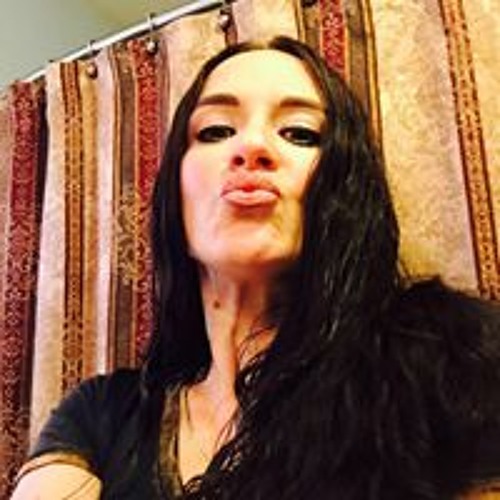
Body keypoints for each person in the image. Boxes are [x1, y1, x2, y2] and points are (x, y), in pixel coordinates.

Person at [10, 36, 500, 500]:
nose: (252, 147)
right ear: (175, 191)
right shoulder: (104, 414)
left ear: (350, 185)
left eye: (300, 133)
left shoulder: (450, 360)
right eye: (216, 131)